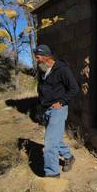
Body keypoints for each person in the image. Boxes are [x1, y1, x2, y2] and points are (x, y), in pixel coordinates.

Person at [34, 44, 79, 178]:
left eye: (38, 57)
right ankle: (69, 157)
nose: (36, 60)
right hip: (46, 110)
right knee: (56, 139)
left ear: (47, 57)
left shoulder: (62, 70)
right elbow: (41, 90)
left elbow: (74, 89)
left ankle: (52, 175)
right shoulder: (43, 69)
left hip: (58, 110)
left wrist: (61, 102)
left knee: (49, 145)